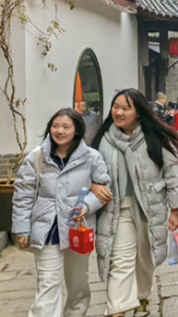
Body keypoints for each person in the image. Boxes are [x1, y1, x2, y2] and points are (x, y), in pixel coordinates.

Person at [91, 88, 178, 317]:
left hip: (148, 209)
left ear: (138, 112)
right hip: (116, 210)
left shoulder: (153, 137)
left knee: (145, 259)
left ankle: (142, 297)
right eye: (116, 107)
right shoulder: (103, 139)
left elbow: (174, 172)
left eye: (126, 108)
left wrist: (174, 209)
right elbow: (88, 169)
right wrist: (94, 186)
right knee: (120, 261)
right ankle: (117, 309)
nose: (119, 112)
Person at [12, 108, 111, 317]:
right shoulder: (36, 158)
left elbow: (104, 190)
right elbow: (23, 197)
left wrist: (86, 206)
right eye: (55, 126)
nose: (59, 131)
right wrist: (22, 229)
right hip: (46, 230)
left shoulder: (91, 158)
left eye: (66, 127)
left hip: (78, 229)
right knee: (48, 283)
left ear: (76, 130)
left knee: (78, 283)